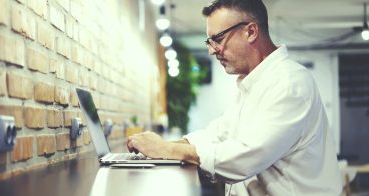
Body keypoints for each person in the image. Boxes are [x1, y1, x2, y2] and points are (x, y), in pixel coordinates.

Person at [127, 0, 342, 195]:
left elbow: (244, 157)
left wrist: (167, 149)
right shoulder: (254, 83)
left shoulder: (289, 84)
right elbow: (219, 133)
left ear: (250, 32)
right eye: (209, 42)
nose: (212, 51)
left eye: (217, 39)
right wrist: (162, 145)